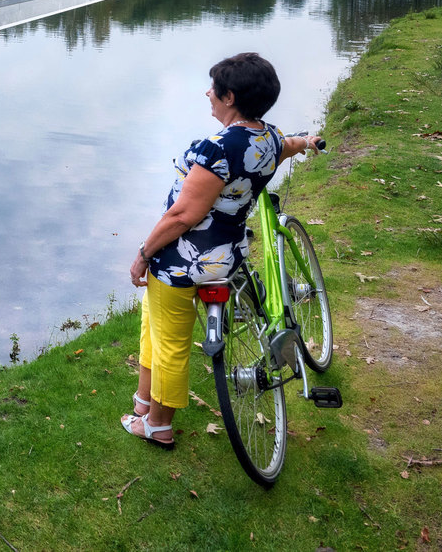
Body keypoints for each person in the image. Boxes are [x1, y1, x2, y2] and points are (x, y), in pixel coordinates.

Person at [123, 52, 319, 450]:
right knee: (152, 325)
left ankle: (158, 425)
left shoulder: (216, 149)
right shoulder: (268, 139)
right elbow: (290, 145)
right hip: (227, 258)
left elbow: (183, 215)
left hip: (182, 263)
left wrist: (144, 254)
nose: (207, 93)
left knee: (170, 344)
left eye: (213, 88)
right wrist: (306, 143)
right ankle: (145, 400)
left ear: (229, 98)